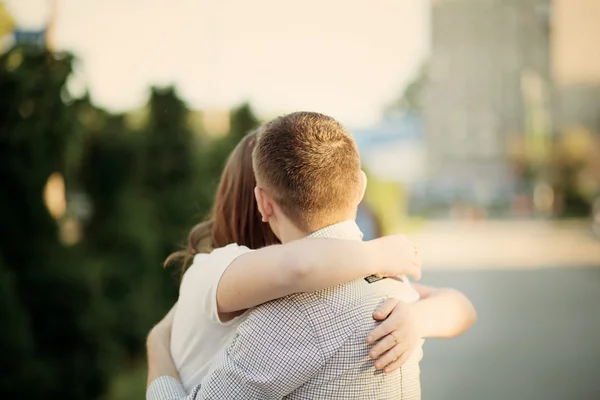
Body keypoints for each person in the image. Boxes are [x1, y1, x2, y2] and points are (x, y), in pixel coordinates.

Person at [147, 114, 477, 399]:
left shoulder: (283, 317)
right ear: (360, 187)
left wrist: (156, 344)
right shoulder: (392, 286)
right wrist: (407, 303)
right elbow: (298, 266)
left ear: (264, 203)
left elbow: (299, 268)